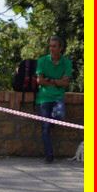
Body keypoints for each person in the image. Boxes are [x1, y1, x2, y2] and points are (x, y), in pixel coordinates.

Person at [36, 35, 74, 163]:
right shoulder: (42, 60)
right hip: (44, 98)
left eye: (54, 46)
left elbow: (65, 83)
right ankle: (49, 155)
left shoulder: (66, 62)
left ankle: (51, 122)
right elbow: (39, 80)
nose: (51, 49)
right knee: (45, 127)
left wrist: (50, 80)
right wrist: (56, 81)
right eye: (50, 46)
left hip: (58, 97)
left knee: (59, 117)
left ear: (60, 48)